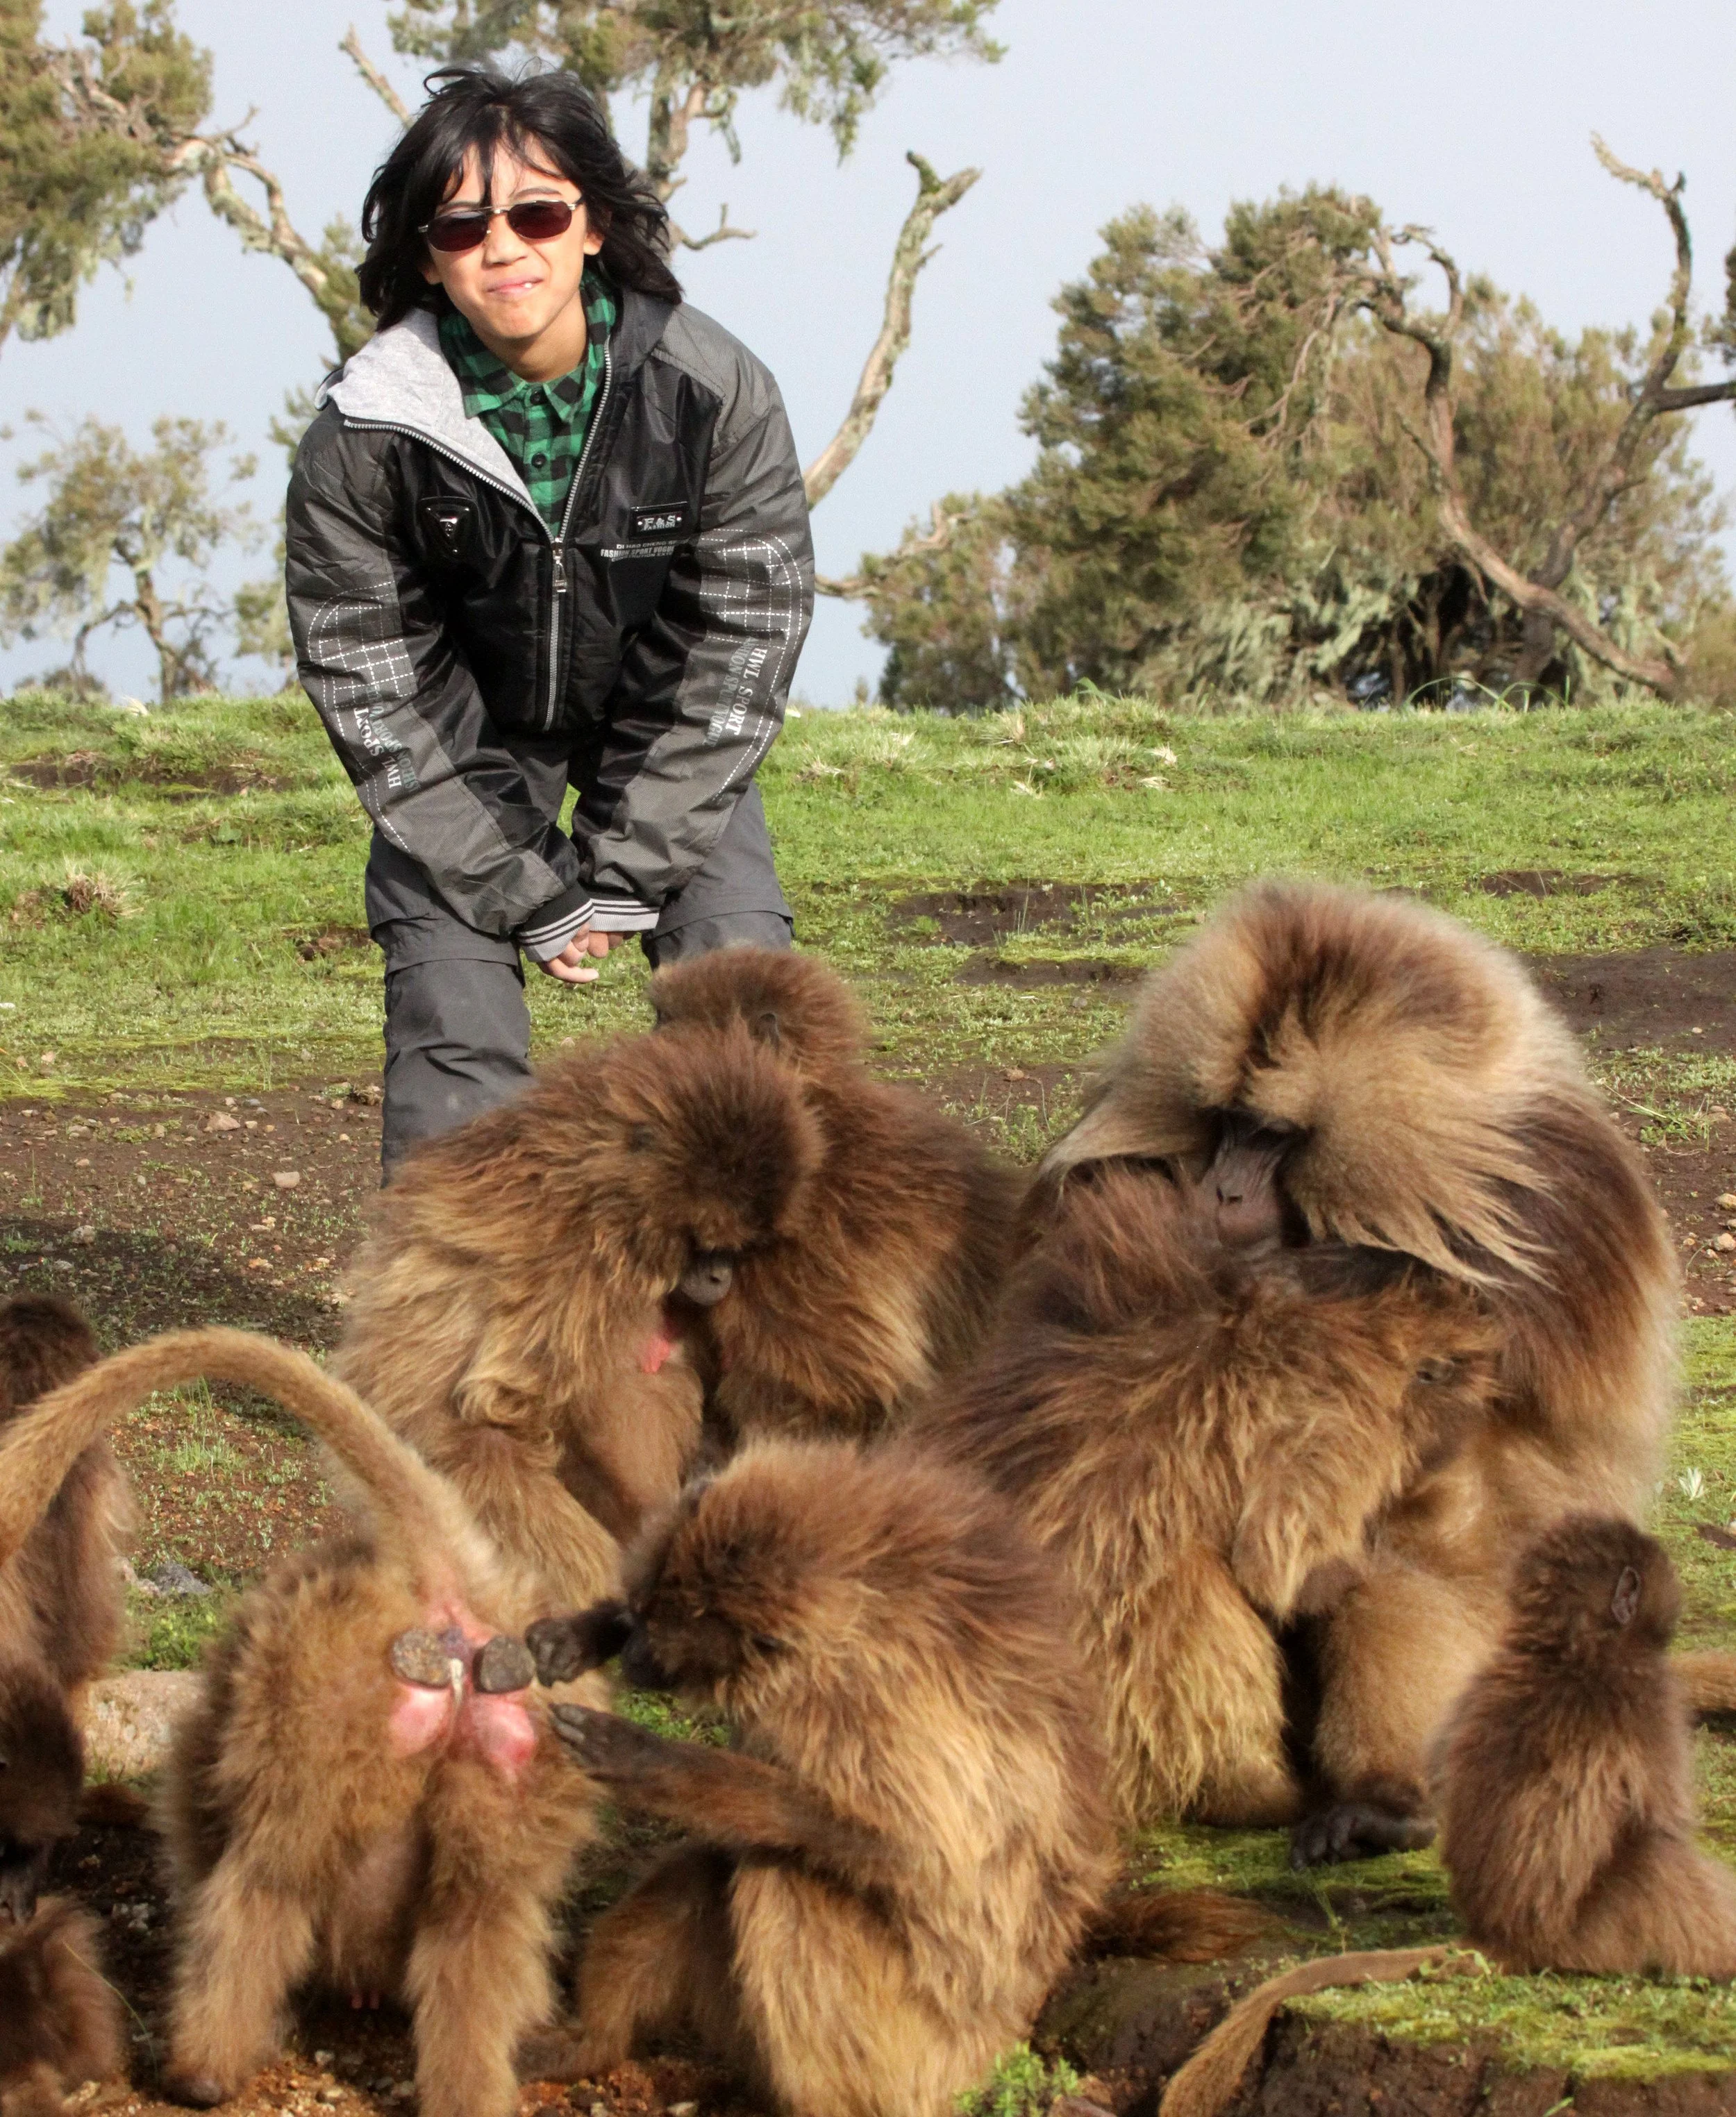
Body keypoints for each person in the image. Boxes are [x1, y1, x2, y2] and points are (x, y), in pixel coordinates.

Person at [285, 66, 812, 1171]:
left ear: (592, 226)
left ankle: (766, 1318)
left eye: (536, 212)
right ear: (427, 256)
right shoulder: (362, 437)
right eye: (464, 226)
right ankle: (462, 1338)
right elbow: (379, 683)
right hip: (460, 749)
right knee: (453, 1076)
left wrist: (624, 873)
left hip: (670, 731)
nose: (505, 249)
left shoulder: (714, 391)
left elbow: (738, 638)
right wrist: (528, 892)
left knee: (753, 1033)